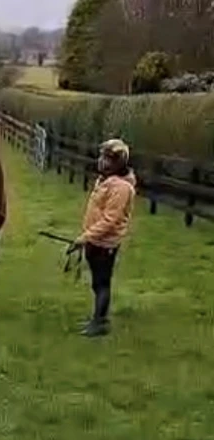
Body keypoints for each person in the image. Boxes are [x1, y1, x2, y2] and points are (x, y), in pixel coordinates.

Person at [77, 138, 136, 337]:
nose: (102, 161)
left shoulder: (120, 188)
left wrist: (85, 237)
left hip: (105, 243)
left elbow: (110, 220)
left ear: (118, 162)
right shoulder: (104, 181)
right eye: (102, 157)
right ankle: (98, 317)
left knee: (102, 283)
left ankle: (100, 322)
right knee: (97, 282)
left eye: (107, 158)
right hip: (95, 241)